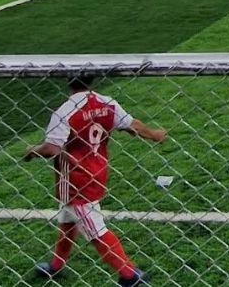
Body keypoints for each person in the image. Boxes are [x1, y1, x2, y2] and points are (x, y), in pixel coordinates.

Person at [25, 74, 166, 286]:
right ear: (93, 80)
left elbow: (52, 149)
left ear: (67, 81)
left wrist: (32, 151)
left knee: (95, 230)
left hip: (75, 178)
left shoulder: (65, 111)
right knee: (68, 218)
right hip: (96, 170)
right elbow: (131, 124)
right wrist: (154, 134)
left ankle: (129, 274)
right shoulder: (106, 102)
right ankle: (56, 265)